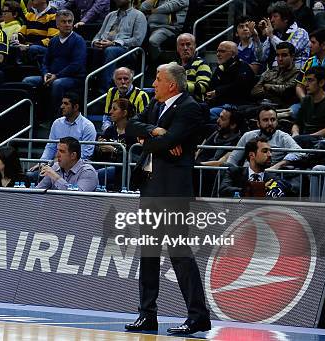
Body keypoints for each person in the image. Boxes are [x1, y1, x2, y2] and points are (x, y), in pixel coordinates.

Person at [125, 62, 210, 334]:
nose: (153, 84)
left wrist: (152, 139)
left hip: (172, 191)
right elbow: (130, 126)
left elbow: (169, 139)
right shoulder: (155, 105)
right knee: (148, 254)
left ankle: (198, 315)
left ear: (171, 84)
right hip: (150, 186)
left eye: (157, 79)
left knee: (179, 254)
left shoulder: (189, 107)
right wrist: (154, 132)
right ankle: (147, 314)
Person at [22, 9, 86, 115]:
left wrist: (56, 76)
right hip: (53, 76)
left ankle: (56, 117)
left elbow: (76, 65)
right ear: (57, 24)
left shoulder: (78, 41)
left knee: (57, 84)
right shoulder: (53, 41)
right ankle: (33, 117)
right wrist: (45, 74)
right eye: (64, 22)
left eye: (70, 21)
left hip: (74, 78)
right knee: (27, 81)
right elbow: (45, 62)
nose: (67, 24)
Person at [91, 0, 147, 93]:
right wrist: (96, 42)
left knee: (111, 50)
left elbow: (137, 40)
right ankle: (91, 84)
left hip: (127, 51)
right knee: (95, 48)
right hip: (106, 45)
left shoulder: (139, 15)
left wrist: (114, 43)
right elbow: (99, 34)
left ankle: (105, 90)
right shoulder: (110, 15)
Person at [227, 105, 304, 169]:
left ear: (277, 121)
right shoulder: (248, 136)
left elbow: (300, 153)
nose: (270, 123)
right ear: (258, 123)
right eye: (265, 120)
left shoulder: (283, 137)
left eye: (273, 119)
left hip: (271, 176)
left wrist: (279, 165)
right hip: (247, 176)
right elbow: (233, 158)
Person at [37, 92, 96, 164]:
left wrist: (61, 161)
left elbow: (85, 155)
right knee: (32, 174)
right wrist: (42, 163)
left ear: (76, 107)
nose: (62, 106)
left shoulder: (88, 126)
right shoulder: (57, 123)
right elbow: (50, 147)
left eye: (66, 104)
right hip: (56, 164)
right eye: (62, 103)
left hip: (78, 167)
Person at [206, 41, 256, 119]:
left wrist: (217, 92)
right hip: (219, 104)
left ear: (233, 54)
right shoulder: (220, 68)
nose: (218, 54)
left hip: (237, 106)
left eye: (222, 51)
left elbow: (238, 87)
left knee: (210, 113)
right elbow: (211, 86)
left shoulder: (244, 67)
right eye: (217, 51)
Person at [293, 66, 325, 139]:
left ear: (321, 82)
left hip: (323, 141)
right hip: (304, 138)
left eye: (310, 80)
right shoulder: (306, 100)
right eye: (306, 80)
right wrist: (295, 133)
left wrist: (309, 137)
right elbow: (297, 123)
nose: (306, 84)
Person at [96, 98, 137, 189]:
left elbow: (134, 157)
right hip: (107, 165)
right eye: (111, 109)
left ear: (124, 113)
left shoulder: (134, 132)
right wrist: (100, 147)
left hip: (126, 168)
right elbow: (99, 155)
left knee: (99, 174)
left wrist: (114, 150)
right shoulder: (110, 130)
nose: (110, 112)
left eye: (114, 109)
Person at [260, 1, 310, 69]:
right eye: (271, 17)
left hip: (296, 74)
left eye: (275, 16)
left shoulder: (301, 33)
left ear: (286, 18)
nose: (272, 20)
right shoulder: (274, 33)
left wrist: (271, 36)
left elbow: (288, 50)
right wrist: (256, 37)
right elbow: (262, 57)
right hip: (275, 75)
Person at [251, 41, 299, 108]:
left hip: (280, 108)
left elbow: (286, 91)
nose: (280, 59)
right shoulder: (270, 71)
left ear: (292, 56)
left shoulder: (298, 74)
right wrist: (274, 90)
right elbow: (254, 91)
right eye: (277, 55)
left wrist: (268, 86)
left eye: (284, 55)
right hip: (260, 105)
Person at [101, 67, 150, 131]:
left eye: (126, 79)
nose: (123, 82)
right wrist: (108, 130)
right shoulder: (111, 92)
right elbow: (107, 117)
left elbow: (145, 122)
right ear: (114, 81)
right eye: (119, 79)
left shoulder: (142, 96)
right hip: (115, 132)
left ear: (132, 80)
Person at [175, 33, 212, 102]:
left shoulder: (202, 64)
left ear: (194, 46)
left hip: (193, 101)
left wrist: (180, 86)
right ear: (177, 48)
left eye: (188, 44)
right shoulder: (173, 65)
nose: (185, 48)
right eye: (182, 45)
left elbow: (202, 87)